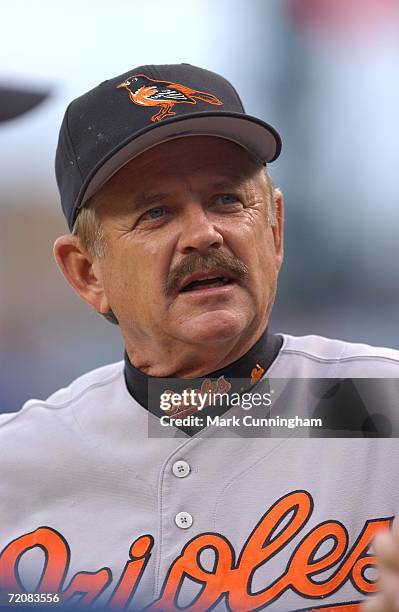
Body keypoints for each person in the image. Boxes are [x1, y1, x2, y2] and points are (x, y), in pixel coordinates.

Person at [1, 63, 398, 612]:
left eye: (228, 200)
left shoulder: (381, 403)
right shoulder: (18, 461)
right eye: (156, 212)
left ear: (275, 230)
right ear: (88, 273)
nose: (203, 233)